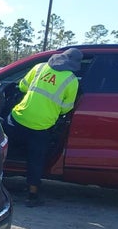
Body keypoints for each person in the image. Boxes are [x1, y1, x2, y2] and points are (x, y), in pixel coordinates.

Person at [6, 47, 82, 207]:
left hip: (19, 118)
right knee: (36, 159)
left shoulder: (39, 67)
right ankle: (32, 195)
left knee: (4, 147)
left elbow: (22, 86)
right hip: (41, 126)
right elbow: (67, 108)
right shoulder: (71, 80)